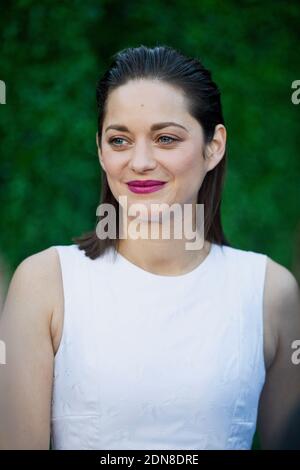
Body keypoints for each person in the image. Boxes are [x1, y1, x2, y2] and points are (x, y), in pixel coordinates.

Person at [0, 45, 299, 450]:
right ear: (100, 151)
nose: (140, 161)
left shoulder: (271, 291)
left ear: (214, 147)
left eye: (165, 138)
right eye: (119, 140)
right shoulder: (44, 284)